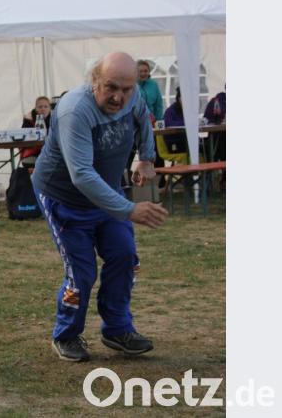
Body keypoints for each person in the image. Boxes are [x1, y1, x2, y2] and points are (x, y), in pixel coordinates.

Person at [31, 52, 169, 362]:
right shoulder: (74, 111)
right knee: (81, 272)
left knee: (124, 256)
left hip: (106, 194)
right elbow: (81, 175)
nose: (119, 97)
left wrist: (146, 157)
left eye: (126, 89)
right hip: (64, 197)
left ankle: (118, 329)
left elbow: (143, 117)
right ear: (94, 80)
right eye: (111, 88)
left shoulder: (132, 97)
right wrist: (130, 210)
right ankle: (66, 335)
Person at [19, 96, 52, 166]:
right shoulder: (28, 120)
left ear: (50, 109)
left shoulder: (54, 119)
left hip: (50, 151)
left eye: (46, 107)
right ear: (36, 108)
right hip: (32, 152)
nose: (43, 109)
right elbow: (23, 136)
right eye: (40, 107)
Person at [162, 86, 188, 153]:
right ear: (178, 98)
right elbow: (168, 123)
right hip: (173, 142)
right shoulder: (171, 110)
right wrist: (186, 123)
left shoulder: (189, 111)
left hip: (185, 140)